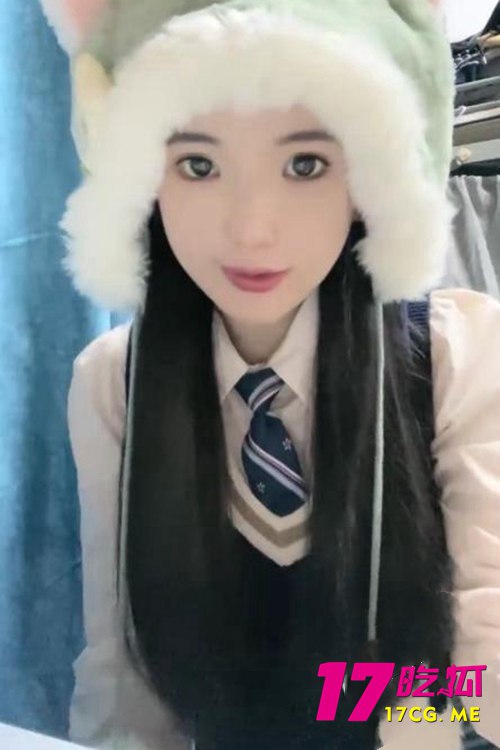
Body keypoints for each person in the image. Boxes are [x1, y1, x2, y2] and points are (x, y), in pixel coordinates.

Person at [40, 1, 500, 748]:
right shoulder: (114, 381)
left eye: (305, 164)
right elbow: (123, 678)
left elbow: (488, 661)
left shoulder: (458, 353)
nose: (252, 228)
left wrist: (381, 716)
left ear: (370, 177)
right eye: (198, 165)